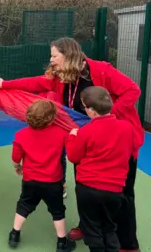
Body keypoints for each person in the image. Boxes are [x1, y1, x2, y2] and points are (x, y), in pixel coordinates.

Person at [0, 37, 144, 252]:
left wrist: (107, 117)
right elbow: (35, 83)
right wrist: (4, 84)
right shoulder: (62, 76)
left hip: (118, 138)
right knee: (86, 185)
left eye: (54, 55)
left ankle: (128, 244)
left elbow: (132, 91)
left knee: (123, 193)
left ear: (69, 55)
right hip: (85, 136)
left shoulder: (101, 70)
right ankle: (88, 225)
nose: (51, 60)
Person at [66, 86, 134, 252]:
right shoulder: (126, 128)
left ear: (91, 111)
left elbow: (73, 157)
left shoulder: (86, 131)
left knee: (92, 230)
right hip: (115, 191)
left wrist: (72, 137)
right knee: (109, 227)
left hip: (88, 190)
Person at [9, 100, 76, 252]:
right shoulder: (61, 134)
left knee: (24, 204)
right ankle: (61, 242)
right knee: (57, 210)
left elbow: (15, 157)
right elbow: (72, 151)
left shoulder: (21, 135)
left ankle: (14, 234)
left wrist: (17, 167)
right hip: (53, 181)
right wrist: (72, 134)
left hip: (30, 180)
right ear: (52, 119)